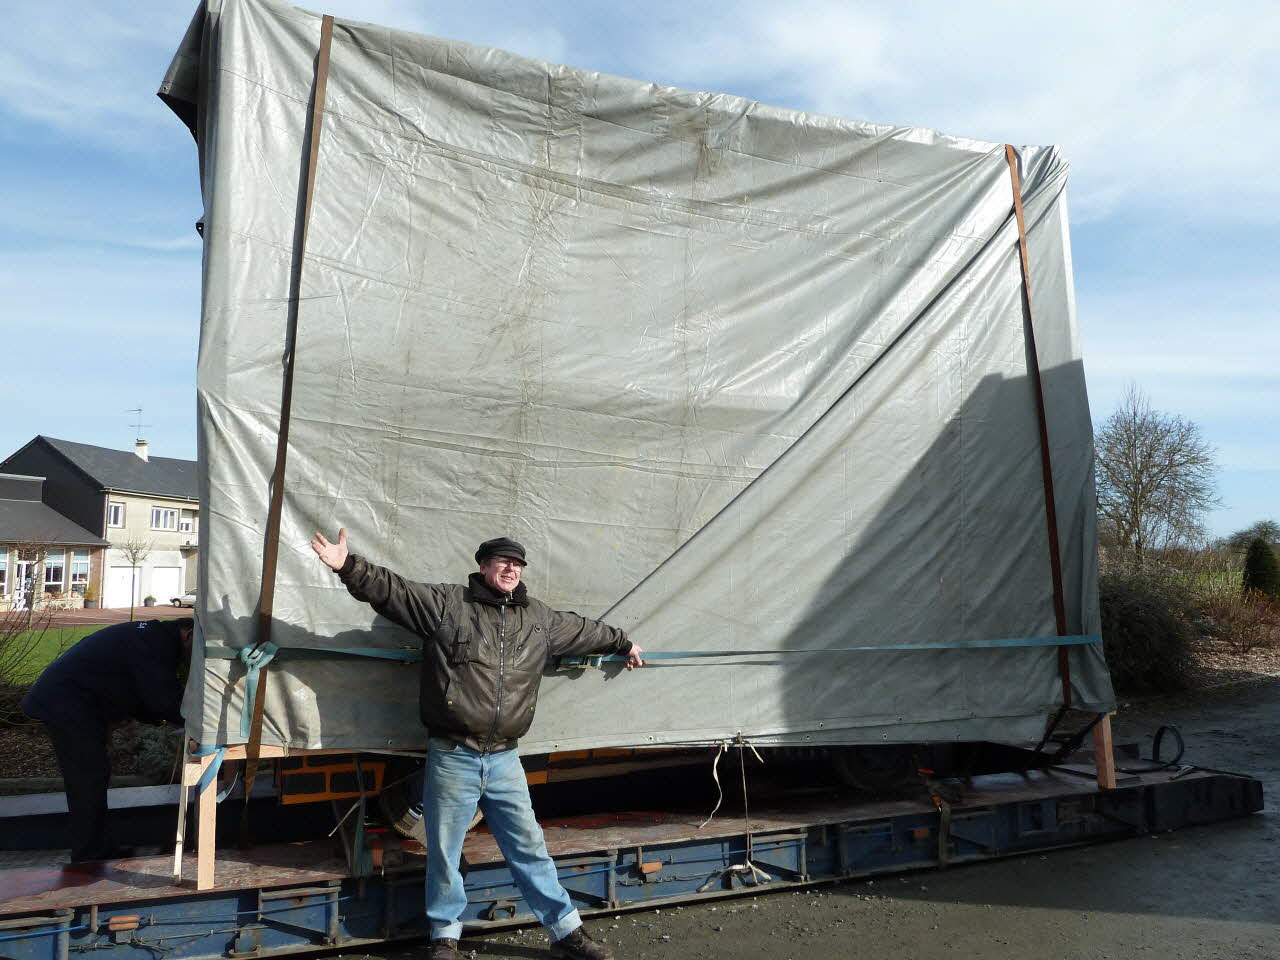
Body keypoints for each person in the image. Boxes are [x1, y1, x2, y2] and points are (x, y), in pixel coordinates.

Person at [311, 531, 642, 960]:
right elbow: (394, 591)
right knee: (445, 853)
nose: (510, 569)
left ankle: (567, 933)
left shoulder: (538, 619)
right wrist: (347, 566)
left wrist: (623, 642)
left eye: (517, 564)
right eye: (502, 562)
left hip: (505, 758)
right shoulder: (449, 605)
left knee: (529, 848)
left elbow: (584, 630)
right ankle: (445, 937)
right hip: (453, 755)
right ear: (483, 567)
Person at [21, 617, 193, 863]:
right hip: (66, 703)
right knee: (87, 778)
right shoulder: (157, 642)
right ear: (187, 632)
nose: (192, 658)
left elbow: (140, 694)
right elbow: (162, 700)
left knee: (93, 776)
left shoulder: (151, 636)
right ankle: (88, 855)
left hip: (72, 701)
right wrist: (196, 721)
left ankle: (97, 848)